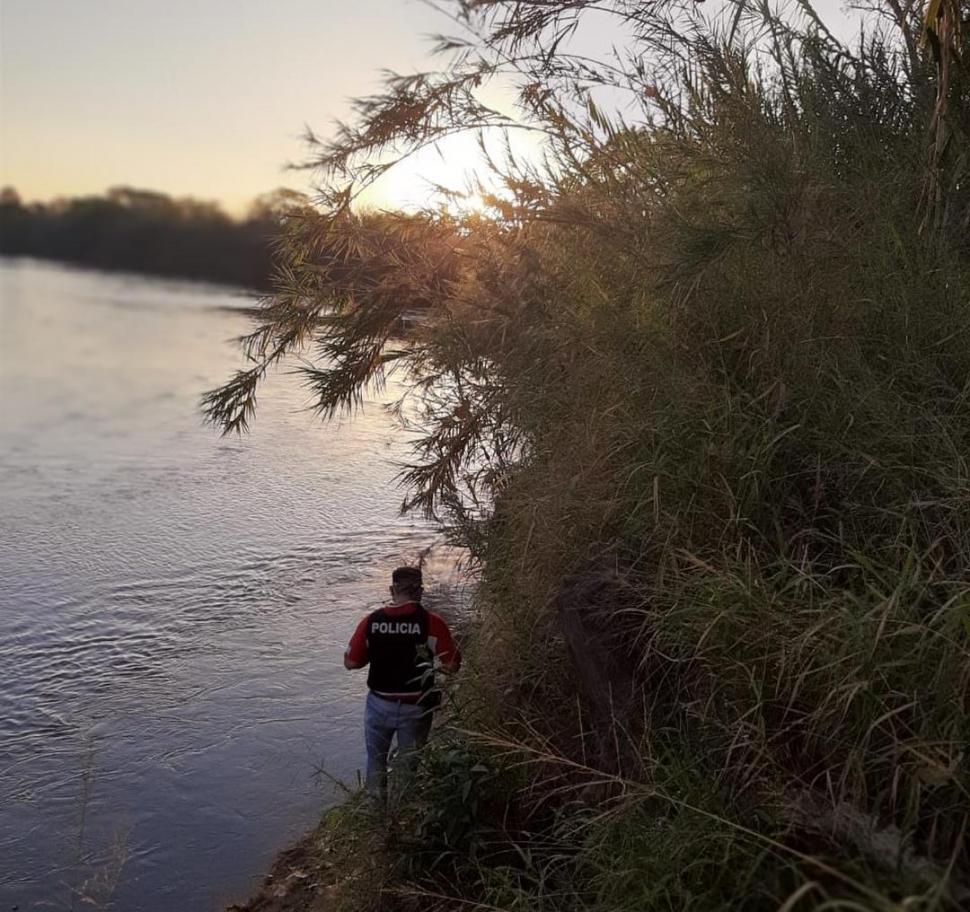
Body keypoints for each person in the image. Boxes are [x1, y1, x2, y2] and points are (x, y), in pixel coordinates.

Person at [344, 566, 461, 794]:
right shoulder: (431, 623)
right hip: (416, 707)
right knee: (408, 770)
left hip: (378, 705)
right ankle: (401, 816)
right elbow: (452, 665)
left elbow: (351, 663)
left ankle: (376, 818)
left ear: (392, 590)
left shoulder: (371, 622)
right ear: (421, 592)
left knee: (375, 764)